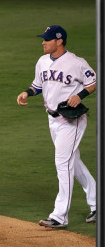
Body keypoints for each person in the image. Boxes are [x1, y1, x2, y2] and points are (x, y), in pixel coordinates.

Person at [16, 25, 96, 228]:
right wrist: (27, 92)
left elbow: (92, 81)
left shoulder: (76, 62)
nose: (43, 42)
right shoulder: (42, 61)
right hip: (52, 120)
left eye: (47, 39)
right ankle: (97, 202)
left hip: (71, 120)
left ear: (59, 41)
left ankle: (60, 216)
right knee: (73, 162)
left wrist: (80, 95)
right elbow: (38, 84)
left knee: (63, 163)